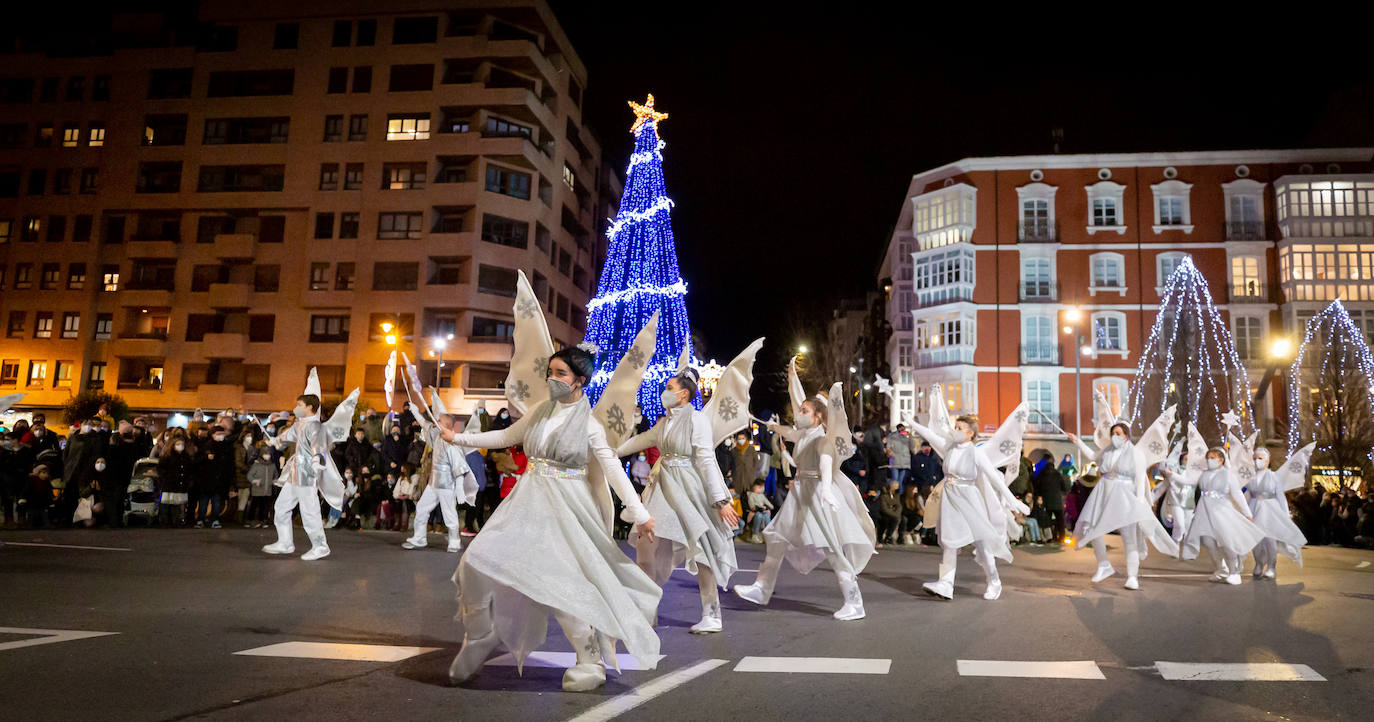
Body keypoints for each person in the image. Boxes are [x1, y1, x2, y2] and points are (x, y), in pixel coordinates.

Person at [441, 345, 660, 692]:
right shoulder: (541, 410)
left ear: (579, 382)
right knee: (474, 562)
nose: (552, 379)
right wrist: (458, 438)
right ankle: (481, 634)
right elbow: (504, 436)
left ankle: (589, 660)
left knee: (559, 581)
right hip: (525, 500)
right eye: (551, 372)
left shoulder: (589, 425)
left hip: (566, 506)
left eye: (561, 374)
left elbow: (613, 469)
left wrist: (640, 513)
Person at [735, 387, 875, 621]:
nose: (799, 413)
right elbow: (785, 431)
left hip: (817, 494)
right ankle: (762, 589)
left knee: (831, 546)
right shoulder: (803, 435)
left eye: (804, 410)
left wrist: (828, 488)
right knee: (777, 538)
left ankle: (854, 601)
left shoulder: (822, 438)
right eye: (799, 410)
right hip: (799, 494)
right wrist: (762, 422)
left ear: (818, 416)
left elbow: (826, 461)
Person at [617, 368, 740, 634]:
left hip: (689, 487)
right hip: (662, 487)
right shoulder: (664, 423)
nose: (665, 392)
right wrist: (608, 452)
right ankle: (647, 609)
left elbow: (706, 459)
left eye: (670, 388)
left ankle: (712, 613)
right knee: (645, 541)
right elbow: (639, 441)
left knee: (701, 547)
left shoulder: (697, 420)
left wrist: (720, 500)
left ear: (684, 394)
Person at [909, 406, 1029, 601]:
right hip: (950, 497)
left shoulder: (976, 453)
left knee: (981, 541)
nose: (954, 430)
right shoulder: (949, 447)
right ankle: (946, 584)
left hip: (969, 498)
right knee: (949, 541)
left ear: (970, 433)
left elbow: (995, 479)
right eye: (955, 427)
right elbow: (930, 435)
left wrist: (1012, 501)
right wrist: (912, 423)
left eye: (959, 428)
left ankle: (994, 581)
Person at [1068, 419, 1179, 591]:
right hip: (1104, 492)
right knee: (1092, 529)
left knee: (1129, 536)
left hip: (1125, 495)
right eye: (1113, 434)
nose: (1114, 437)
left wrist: (1140, 500)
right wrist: (1077, 441)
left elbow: (1141, 477)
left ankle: (1132, 576)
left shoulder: (1136, 453)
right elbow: (1092, 456)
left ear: (1126, 435)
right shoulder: (1107, 451)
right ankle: (1104, 565)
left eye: (1118, 433)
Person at [261, 376, 358, 561]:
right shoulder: (300, 424)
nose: (296, 408)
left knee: (309, 512)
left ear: (310, 408)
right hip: (295, 473)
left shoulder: (315, 426)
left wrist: (316, 464)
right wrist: (275, 440)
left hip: (307, 474)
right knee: (281, 507)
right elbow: (286, 436)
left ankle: (320, 546)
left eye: (300, 404)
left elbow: (318, 447)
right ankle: (285, 542)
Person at [401, 392, 478, 554]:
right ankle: (420, 538)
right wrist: (414, 410)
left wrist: (459, 488)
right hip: (433, 483)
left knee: (449, 513)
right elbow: (424, 423)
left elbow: (459, 467)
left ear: (447, 426)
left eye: (439, 421)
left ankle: (455, 541)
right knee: (422, 508)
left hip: (446, 485)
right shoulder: (437, 436)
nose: (435, 422)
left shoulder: (452, 443)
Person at [1180, 446, 1266, 585]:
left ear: (1221, 460)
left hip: (1222, 511)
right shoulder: (1204, 474)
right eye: (1208, 458)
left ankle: (1234, 572)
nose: (1209, 461)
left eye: (1212, 458)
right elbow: (1189, 481)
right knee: (1209, 542)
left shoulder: (1228, 474)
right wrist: (1172, 475)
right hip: (1204, 511)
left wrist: (1247, 513)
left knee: (1227, 542)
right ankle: (1220, 569)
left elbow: (1237, 494)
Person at [1247, 447, 1307, 580]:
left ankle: (1271, 567)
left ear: (1267, 461)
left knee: (1270, 539)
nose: (1257, 461)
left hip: (1270, 510)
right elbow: (1246, 494)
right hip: (1254, 508)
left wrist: (1285, 516)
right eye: (1255, 458)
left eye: (1260, 458)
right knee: (1255, 540)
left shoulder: (1274, 477)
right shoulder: (1250, 477)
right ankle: (1259, 563)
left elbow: (1281, 497)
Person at [1151, 449, 1198, 545]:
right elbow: (1162, 487)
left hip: (1189, 503)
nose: (1187, 461)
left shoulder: (1194, 474)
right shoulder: (1173, 472)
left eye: (1190, 459)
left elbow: (1190, 482)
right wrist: (1151, 500)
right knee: (1179, 525)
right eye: (1186, 459)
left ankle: (1187, 547)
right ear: (1181, 460)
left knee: (1187, 526)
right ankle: (1175, 544)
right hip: (1175, 502)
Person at [1030, 452, 1069, 544]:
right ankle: (1061, 537)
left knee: (1048, 520)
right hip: (1057, 501)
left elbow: (1037, 487)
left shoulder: (1041, 475)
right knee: (1060, 520)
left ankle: (1050, 537)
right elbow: (1065, 487)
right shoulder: (1058, 475)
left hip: (1046, 501)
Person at [157, 438, 193, 526]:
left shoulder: (186, 457)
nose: (180, 446)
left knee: (178, 504)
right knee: (167, 503)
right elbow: (161, 468)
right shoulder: (168, 456)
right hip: (169, 484)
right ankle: (165, 521)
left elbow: (189, 469)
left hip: (181, 484)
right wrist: (165, 477)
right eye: (178, 444)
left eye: (182, 444)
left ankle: (176, 521)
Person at [728, 430, 760, 496]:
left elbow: (756, 461)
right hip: (738, 476)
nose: (741, 440)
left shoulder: (751, 449)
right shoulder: (734, 450)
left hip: (750, 475)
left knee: (751, 495)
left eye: (743, 438)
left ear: (746, 439)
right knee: (740, 495)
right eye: (739, 439)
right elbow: (731, 463)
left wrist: (754, 472)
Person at [744, 478, 774, 543]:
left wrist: (767, 507)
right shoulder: (750, 495)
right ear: (754, 486)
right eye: (759, 487)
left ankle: (768, 534)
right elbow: (752, 506)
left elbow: (770, 505)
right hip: (754, 512)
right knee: (759, 515)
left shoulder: (762, 496)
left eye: (762, 487)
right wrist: (760, 508)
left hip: (763, 511)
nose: (762, 489)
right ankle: (755, 534)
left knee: (766, 516)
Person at [877, 480, 902, 546]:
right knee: (887, 520)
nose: (897, 488)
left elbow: (899, 506)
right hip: (885, 514)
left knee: (898, 519)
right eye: (896, 487)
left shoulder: (896, 495)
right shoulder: (883, 495)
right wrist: (894, 514)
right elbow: (884, 508)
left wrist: (896, 514)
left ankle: (888, 536)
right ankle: (881, 536)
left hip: (894, 514)